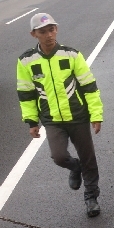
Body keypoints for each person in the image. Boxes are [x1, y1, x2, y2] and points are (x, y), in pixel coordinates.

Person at [16, 13, 104, 217]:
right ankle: (75, 167)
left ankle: (91, 197)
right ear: (34, 34)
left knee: (88, 158)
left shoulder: (71, 55)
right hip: (52, 119)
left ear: (57, 29)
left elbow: (89, 86)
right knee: (59, 156)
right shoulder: (26, 61)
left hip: (78, 116)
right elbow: (26, 94)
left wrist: (96, 115)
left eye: (51, 29)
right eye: (43, 31)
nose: (49, 35)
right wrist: (32, 121)